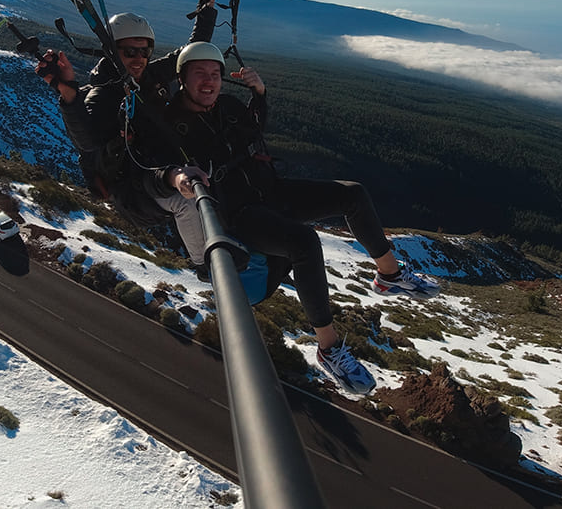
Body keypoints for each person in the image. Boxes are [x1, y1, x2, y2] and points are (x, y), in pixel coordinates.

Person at [140, 41, 438, 395]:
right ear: (182, 79)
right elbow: (153, 170)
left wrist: (260, 94)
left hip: (272, 191)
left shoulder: (229, 106)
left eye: (215, 75)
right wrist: (176, 177)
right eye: (199, 74)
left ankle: (389, 275)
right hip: (240, 214)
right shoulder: (172, 124)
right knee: (304, 242)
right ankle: (329, 348)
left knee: (352, 194)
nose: (210, 82)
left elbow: (253, 129)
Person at [36, 0, 218, 274]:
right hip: (134, 190)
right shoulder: (101, 95)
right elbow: (88, 141)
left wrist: (207, 3)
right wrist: (69, 93)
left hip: (163, 168)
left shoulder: (147, 77)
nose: (139, 59)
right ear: (111, 52)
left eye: (145, 51)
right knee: (187, 201)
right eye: (129, 51)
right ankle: (207, 267)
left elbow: (191, 52)